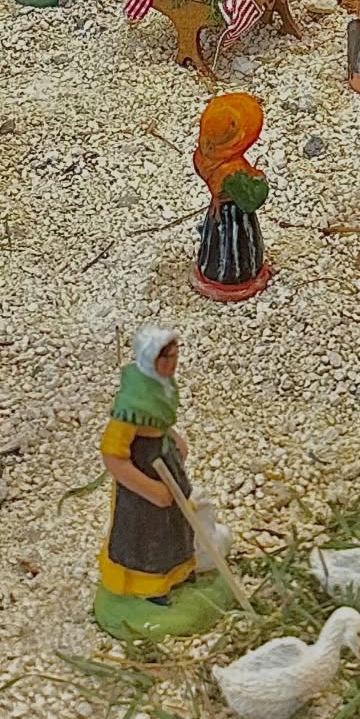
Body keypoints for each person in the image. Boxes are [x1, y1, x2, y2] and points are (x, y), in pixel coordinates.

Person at [96, 328, 199, 625]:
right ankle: (148, 587)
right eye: (165, 358)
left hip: (164, 461)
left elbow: (159, 422)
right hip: (142, 476)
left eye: (175, 356)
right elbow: (113, 456)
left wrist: (174, 439)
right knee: (146, 534)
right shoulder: (130, 405)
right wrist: (150, 489)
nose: (172, 363)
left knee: (176, 521)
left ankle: (177, 571)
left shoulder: (161, 387)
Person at [191, 93, 271, 300]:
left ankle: (210, 268)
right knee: (235, 246)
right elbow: (251, 201)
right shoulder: (233, 172)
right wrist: (259, 180)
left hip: (216, 209)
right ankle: (235, 278)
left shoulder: (203, 157)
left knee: (215, 239)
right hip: (235, 216)